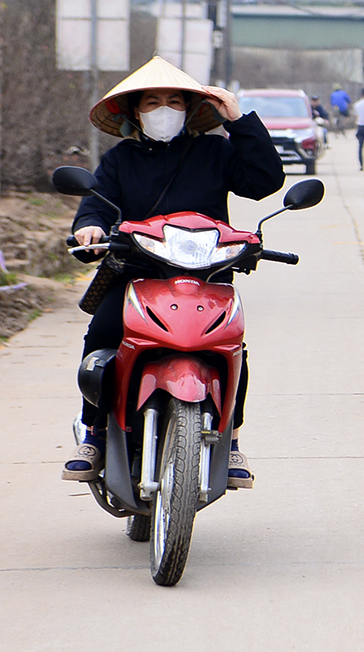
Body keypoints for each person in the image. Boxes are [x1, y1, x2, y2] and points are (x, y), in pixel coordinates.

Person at [62, 56, 285, 487]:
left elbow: (264, 181)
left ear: (189, 110)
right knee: (103, 334)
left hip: (206, 276)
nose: (163, 109)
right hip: (136, 272)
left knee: (231, 348)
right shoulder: (119, 160)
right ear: (136, 112)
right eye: (152, 101)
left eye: (173, 101)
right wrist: (88, 226)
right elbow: (96, 202)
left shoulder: (216, 151)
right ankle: (94, 431)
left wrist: (239, 120)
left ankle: (232, 441)